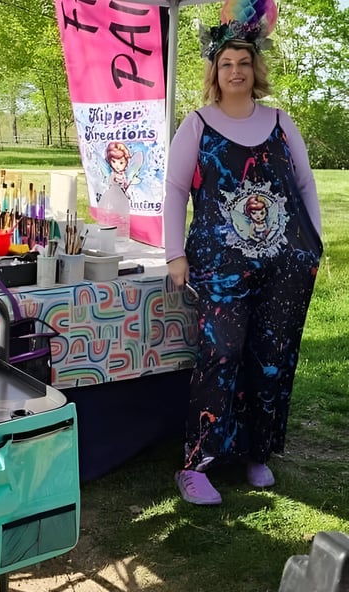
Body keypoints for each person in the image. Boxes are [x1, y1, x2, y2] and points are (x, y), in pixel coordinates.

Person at [163, 8, 323, 505]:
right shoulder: (197, 124)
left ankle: (258, 453)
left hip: (283, 266)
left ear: (256, 71)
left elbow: (304, 184)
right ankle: (197, 465)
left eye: (244, 63)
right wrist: (174, 254)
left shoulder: (279, 121)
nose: (236, 71)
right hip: (219, 265)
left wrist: (312, 244)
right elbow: (173, 190)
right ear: (215, 72)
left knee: (271, 358)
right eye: (227, 63)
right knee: (222, 354)